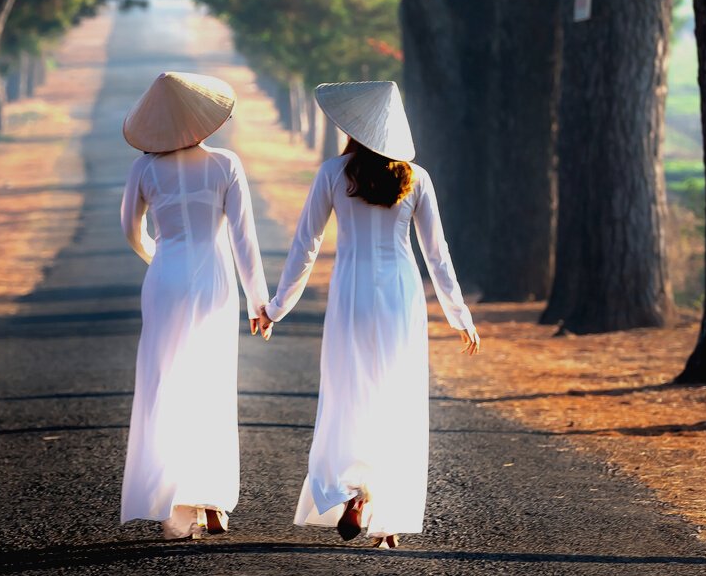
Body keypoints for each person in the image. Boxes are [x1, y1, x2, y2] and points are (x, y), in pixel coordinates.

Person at [258, 80, 477, 549]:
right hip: (399, 294)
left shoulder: (333, 173)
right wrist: (459, 316)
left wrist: (278, 307)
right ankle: (387, 515)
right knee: (395, 394)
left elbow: (305, 246)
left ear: (353, 128)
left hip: (352, 292)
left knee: (350, 389)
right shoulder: (415, 176)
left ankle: (352, 490)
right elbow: (437, 255)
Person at [119, 71, 271, 540]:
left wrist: (158, 257)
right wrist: (258, 300)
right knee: (212, 382)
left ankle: (174, 498)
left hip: (165, 280)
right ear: (202, 119)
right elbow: (245, 240)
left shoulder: (144, 169)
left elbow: (130, 230)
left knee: (166, 381)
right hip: (215, 282)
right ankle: (212, 500)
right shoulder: (226, 164)